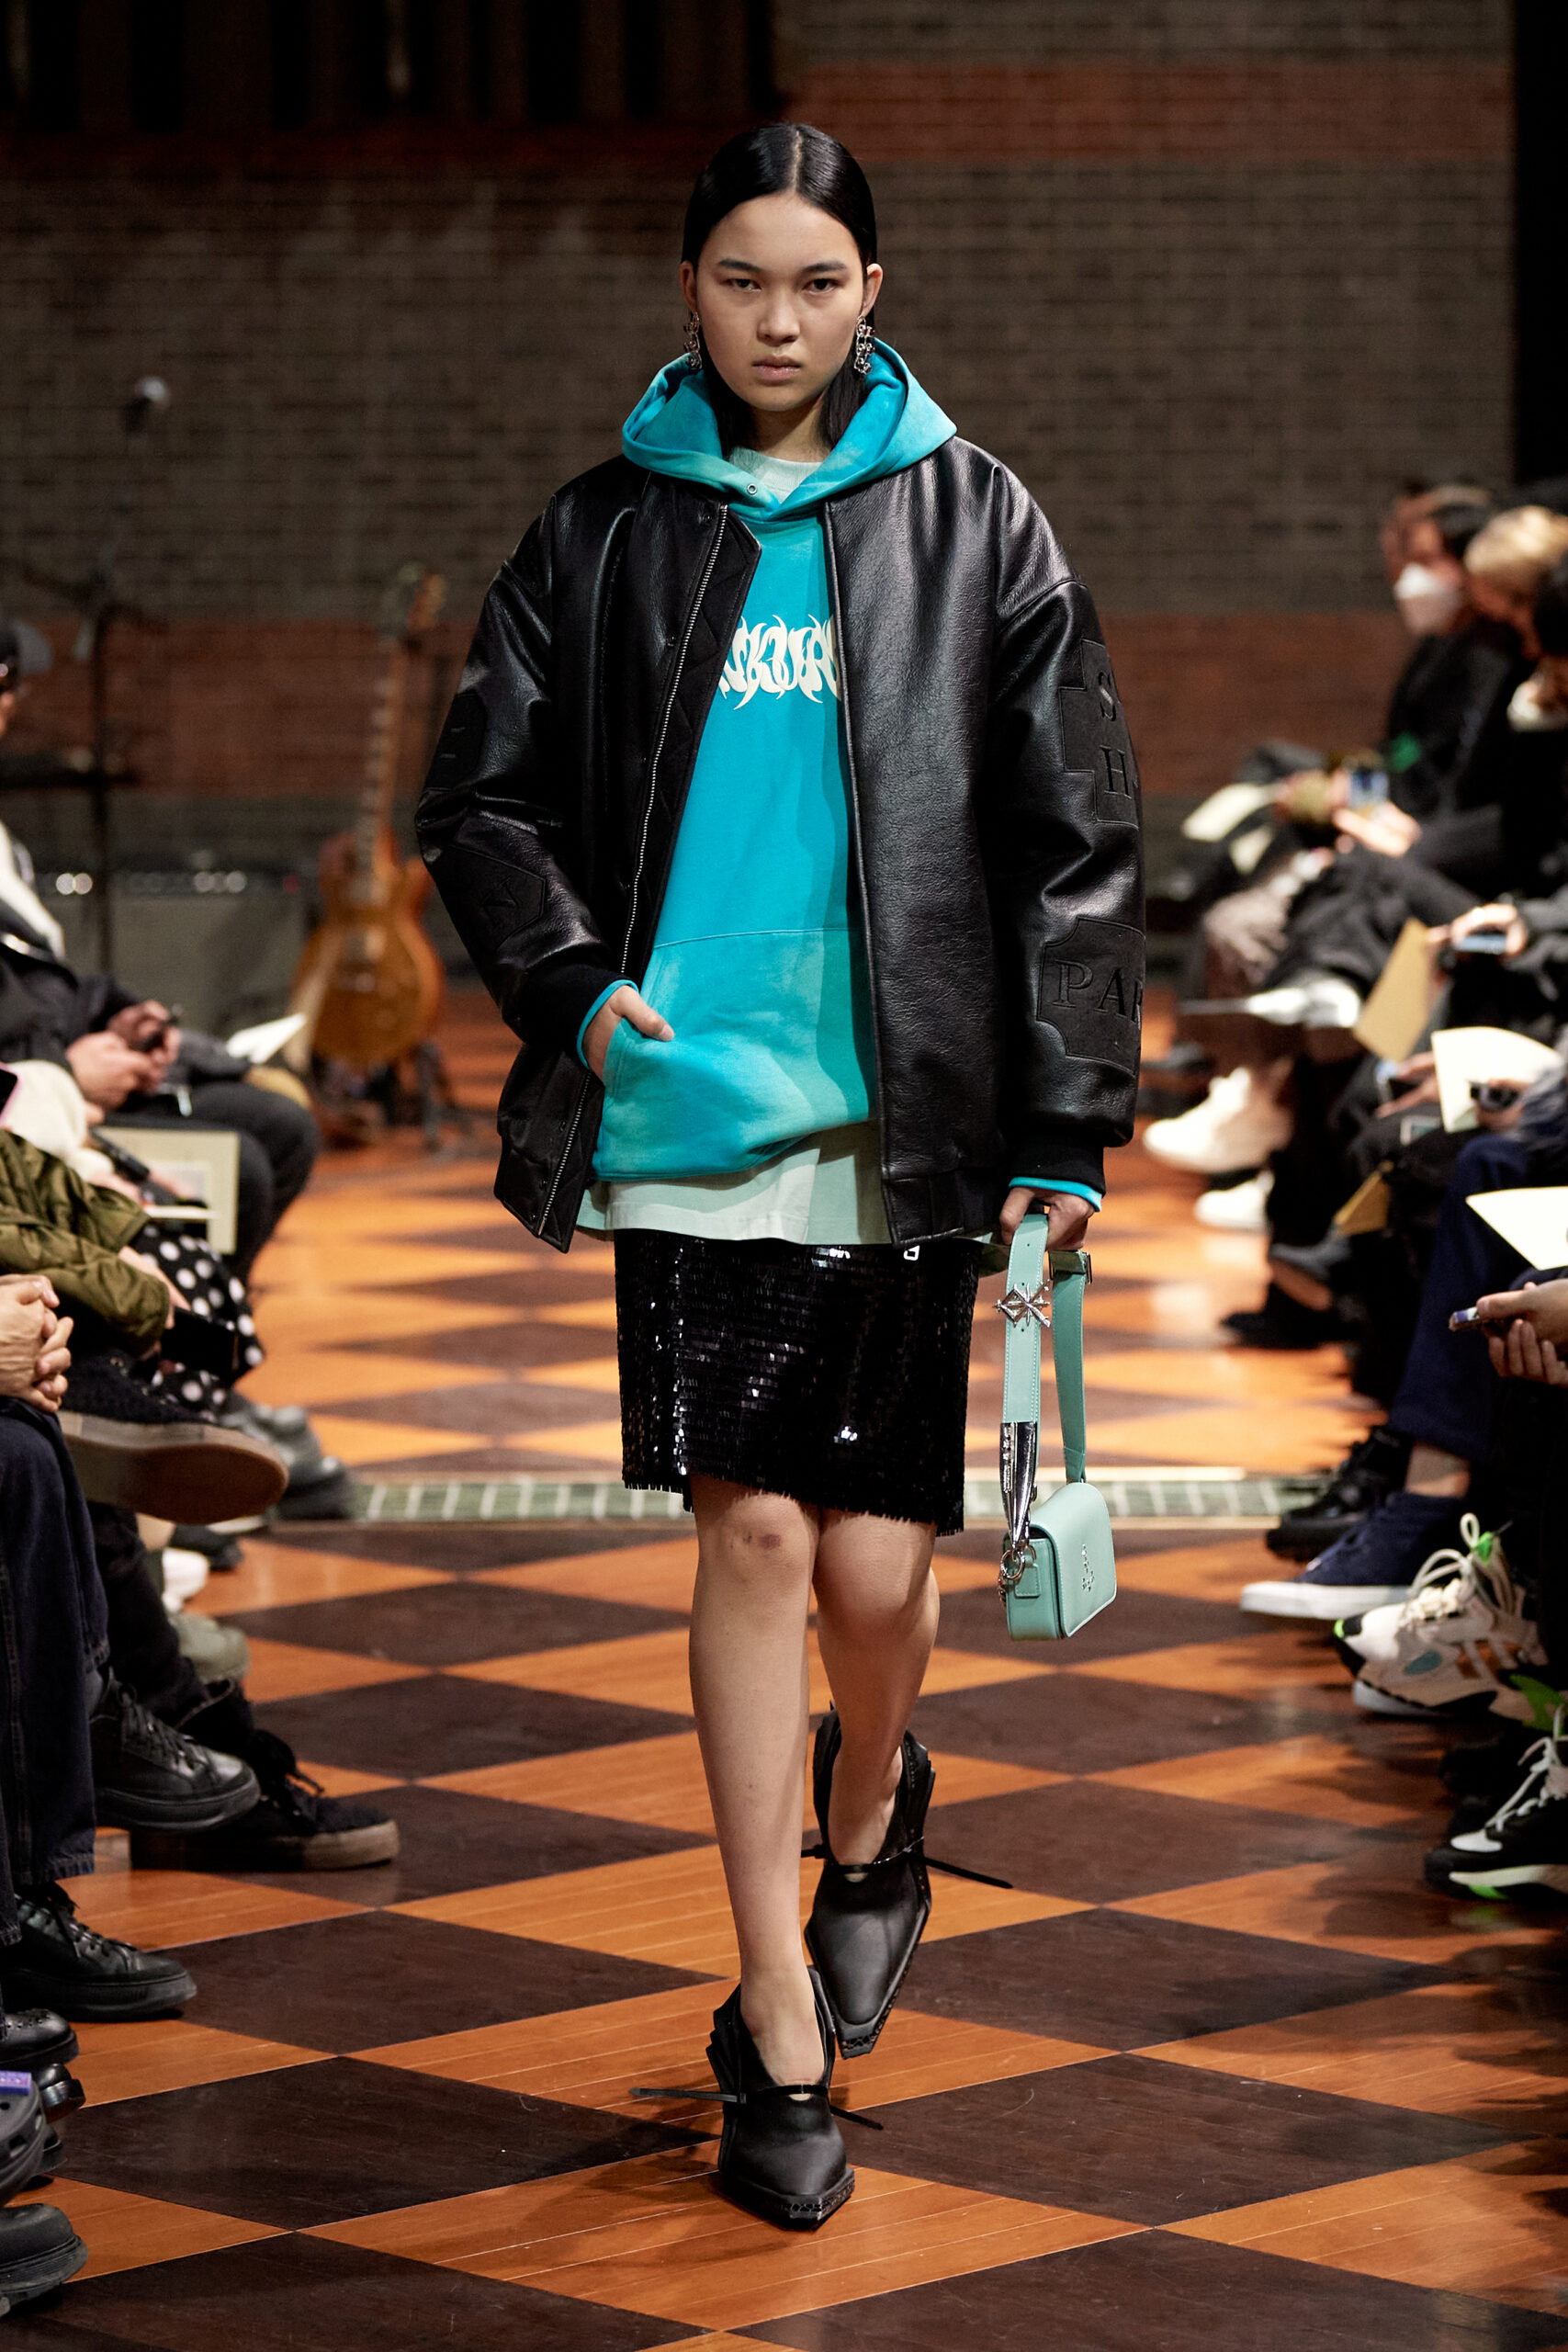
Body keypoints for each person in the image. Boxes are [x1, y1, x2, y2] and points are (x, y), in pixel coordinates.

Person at [418, 123, 1142, 2229]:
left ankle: (872, 1804)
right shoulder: (599, 528)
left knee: (877, 1576)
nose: (777, 318)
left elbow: (1075, 831)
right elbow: (480, 796)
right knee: (747, 1536)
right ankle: (773, 2006)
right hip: (685, 1111)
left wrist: (1062, 1120)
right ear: (689, 290)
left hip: (909, 1111)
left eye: (816, 281)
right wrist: (569, 985)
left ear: (869, 295)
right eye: (741, 278)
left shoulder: (973, 515)